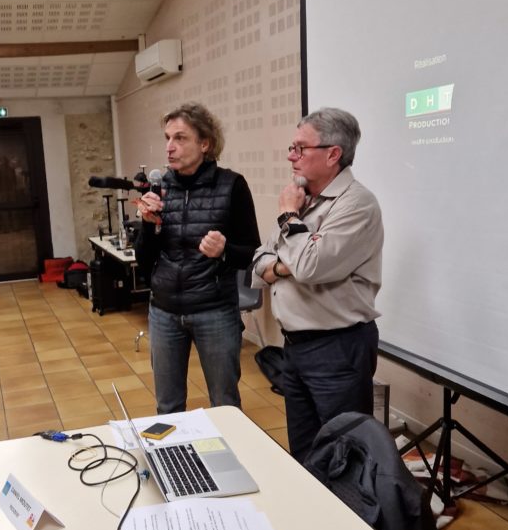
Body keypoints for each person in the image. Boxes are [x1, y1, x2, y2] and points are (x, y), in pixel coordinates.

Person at [252, 108, 383, 463]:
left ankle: (353, 520)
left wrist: (289, 219)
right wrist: (286, 263)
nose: (291, 157)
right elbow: (261, 260)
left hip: (338, 348)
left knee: (346, 458)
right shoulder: (303, 197)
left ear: (333, 154)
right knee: (306, 452)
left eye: (300, 148)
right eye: (291, 148)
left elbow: (309, 266)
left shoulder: (356, 204)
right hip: (295, 347)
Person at [135, 103, 260, 414]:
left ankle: (228, 462)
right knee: (168, 406)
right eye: (167, 138)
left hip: (214, 311)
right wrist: (147, 227)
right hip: (164, 312)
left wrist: (224, 251)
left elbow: (251, 254)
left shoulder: (232, 185)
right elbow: (143, 258)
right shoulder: (159, 188)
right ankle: (176, 463)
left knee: (225, 406)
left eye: (180, 138)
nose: (170, 147)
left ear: (205, 143)